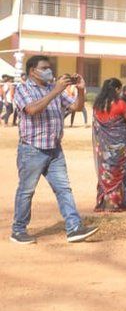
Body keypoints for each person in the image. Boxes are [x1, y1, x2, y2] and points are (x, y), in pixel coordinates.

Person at [10, 55, 99, 244]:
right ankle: (18, 230)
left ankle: (74, 228)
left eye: (49, 67)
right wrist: (56, 91)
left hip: (54, 149)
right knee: (26, 191)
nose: (49, 71)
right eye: (44, 67)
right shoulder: (23, 89)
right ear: (33, 71)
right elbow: (32, 110)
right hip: (32, 149)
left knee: (64, 189)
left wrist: (81, 90)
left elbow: (76, 106)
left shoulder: (54, 88)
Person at [92, 78, 126, 212]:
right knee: (116, 171)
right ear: (116, 89)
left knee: (105, 172)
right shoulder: (121, 104)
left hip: (103, 145)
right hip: (119, 145)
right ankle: (113, 204)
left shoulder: (97, 105)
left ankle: (103, 203)